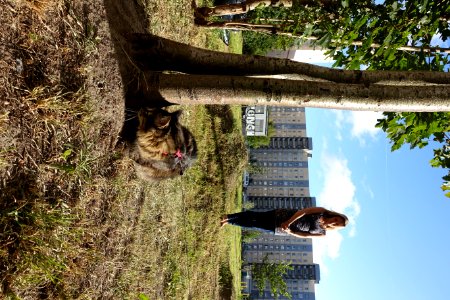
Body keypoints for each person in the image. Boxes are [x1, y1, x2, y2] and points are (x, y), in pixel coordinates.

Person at [220, 207, 348, 237]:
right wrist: (288, 221)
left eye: (338, 224)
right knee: (254, 215)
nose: (335, 222)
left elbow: (305, 235)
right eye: (337, 219)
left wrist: (290, 231)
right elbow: (303, 212)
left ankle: (229, 222)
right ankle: (228, 216)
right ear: (335, 215)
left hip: (281, 229)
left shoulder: (323, 233)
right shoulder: (322, 211)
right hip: (282, 215)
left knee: (253, 224)